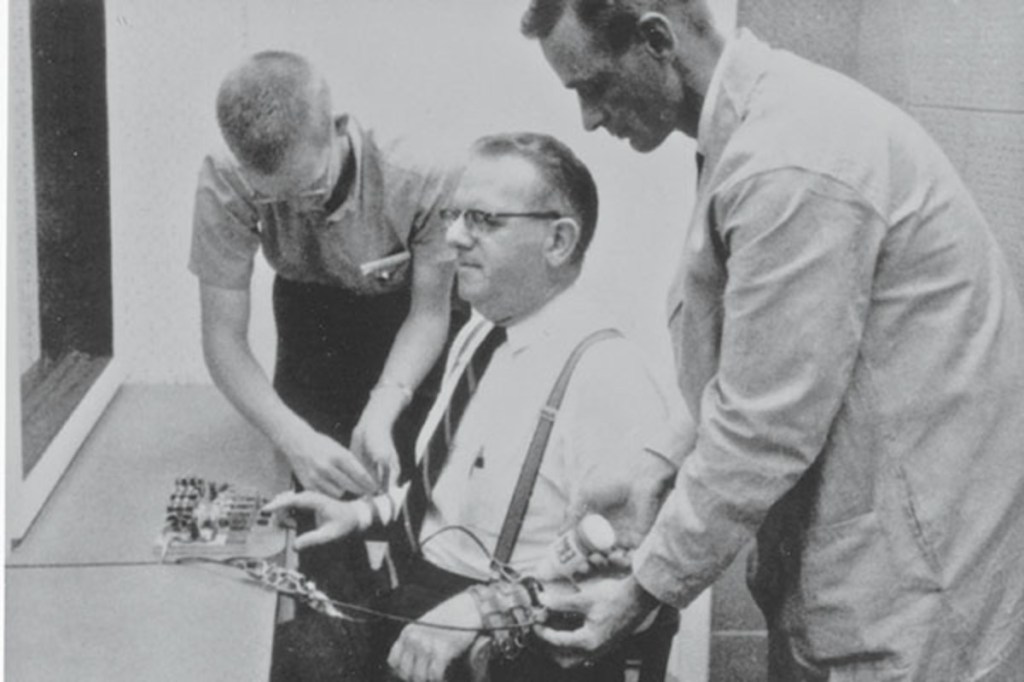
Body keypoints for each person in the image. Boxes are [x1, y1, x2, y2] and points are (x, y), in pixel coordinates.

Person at [521, 2, 1024, 680]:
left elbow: (765, 421)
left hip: (914, 578)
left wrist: (644, 588)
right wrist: (657, 466)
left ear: (656, 40)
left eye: (596, 85)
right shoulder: (757, 129)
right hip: (872, 560)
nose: (588, 117)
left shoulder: (790, 158)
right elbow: (761, 353)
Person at [266, 132, 675, 682]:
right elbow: (450, 497)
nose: (454, 237)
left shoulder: (608, 378)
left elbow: (634, 584)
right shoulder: (480, 333)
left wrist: (484, 611)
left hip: (514, 647)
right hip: (422, 599)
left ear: (558, 241)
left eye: (482, 220)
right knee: (277, 656)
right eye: (454, 215)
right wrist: (361, 514)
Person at [190, 51, 460, 602]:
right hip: (311, 314)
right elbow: (222, 338)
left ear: (339, 129)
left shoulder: (422, 172)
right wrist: (295, 440)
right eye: (273, 199)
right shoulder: (225, 176)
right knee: (313, 504)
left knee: (422, 503)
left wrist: (384, 404)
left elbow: (430, 313)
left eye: (310, 190)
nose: (298, 210)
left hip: (409, 318)